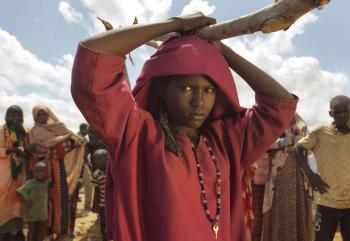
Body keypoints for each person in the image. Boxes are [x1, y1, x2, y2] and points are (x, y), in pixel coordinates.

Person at [71, 12, 297, 241]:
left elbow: (279, 104)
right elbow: (94, 55)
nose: (199, 101)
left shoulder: (225, 140)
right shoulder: (136, 134)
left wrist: (222, 51)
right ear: (162, 90)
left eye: (209, 90)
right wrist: (174, 25)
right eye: (186, 89)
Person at [294, 95, 350, 241]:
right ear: (331, 114)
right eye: (337, 112)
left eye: (346, 111)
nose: (342, 115)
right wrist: (311, 175)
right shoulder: (320, 132)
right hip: (327, 201)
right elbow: (297, 149)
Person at [252, 113, 313, 241]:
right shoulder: (268, 125)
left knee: (291, 214)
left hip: (291, 179)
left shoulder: (301, 126)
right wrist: (288, 142)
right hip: (269, 179)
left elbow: (308, 145)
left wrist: (285, 144)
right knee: (260, 222)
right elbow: (261, 145)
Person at [28, 105, 84, 239]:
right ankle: (45, 231)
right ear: (35, 116)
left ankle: (61, 230)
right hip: (40, 171)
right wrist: (36, 150)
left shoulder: (57, 128)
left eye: (44, 114)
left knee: (60, 199)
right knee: (43, 200)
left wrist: (70, 145)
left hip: (58, 169)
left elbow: (74, 140)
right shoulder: (32, 133)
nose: (42, 117)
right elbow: (31, 152)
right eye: (39, 115)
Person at [0, 105, 28, 241]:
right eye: (12, 115)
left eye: (18, 115)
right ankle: (3, 232)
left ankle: (17, 231)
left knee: (18, 200)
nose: (15, 118)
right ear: (6, 116)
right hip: (4, 174)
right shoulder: (0, 131)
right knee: (3, 201)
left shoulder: (25, 132)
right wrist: (13, 151)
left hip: (21, 173)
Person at [16, 162, 49, 241]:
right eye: (37, 171)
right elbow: (19, 192)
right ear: (34, 172)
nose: (40, 173)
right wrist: (25, 202)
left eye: (42, 171)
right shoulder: (30, 183)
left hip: (42, 212)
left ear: (46, 172)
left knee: (41, 230)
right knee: (32, 230)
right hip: (32, 212)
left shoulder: (46, 183)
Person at [90, 149, 108, 241]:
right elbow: (96, 191)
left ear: (107, 158)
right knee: (104, 226)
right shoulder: (96, 174)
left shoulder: (114, 171)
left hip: (115, 205)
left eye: (100, 158)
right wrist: (95, 206)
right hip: (103, 205)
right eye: (95, 159)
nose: (97, 161)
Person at [77, 123, 94, 211]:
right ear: (83, 128)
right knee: (88, 183)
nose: (88, 130)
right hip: (80, 164)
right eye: (87, 128)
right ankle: (87, 205)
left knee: (80, 183)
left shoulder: (80, 137)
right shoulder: (80, 138)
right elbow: (83, 154)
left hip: (81, 164)